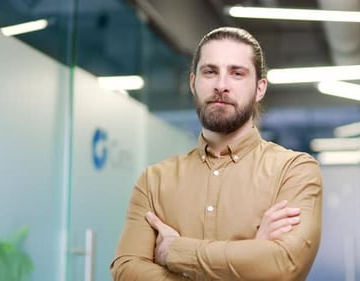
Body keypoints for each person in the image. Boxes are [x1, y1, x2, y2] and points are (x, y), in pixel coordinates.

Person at [110, 26, 323, 281]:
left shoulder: (293, 170)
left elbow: (284, 264)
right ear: (193, 82)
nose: (221, 85)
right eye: (210, 72)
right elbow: (126, 270)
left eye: (237, 73)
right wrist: (251, 258)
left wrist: (175, 251)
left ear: (259, 88)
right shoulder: (154, 180)